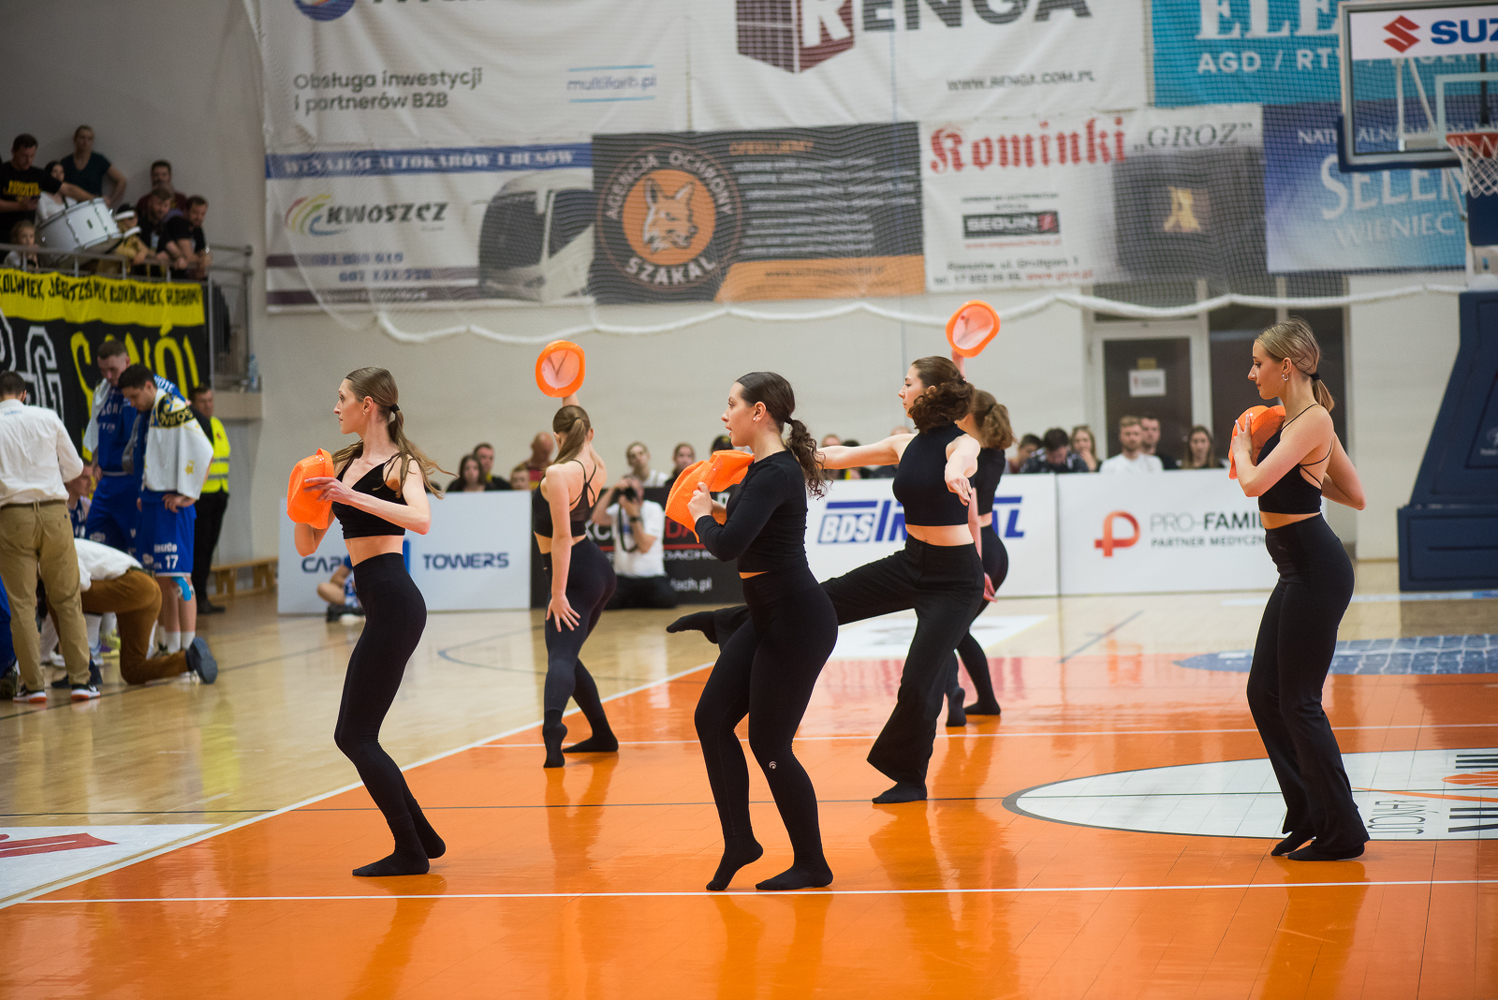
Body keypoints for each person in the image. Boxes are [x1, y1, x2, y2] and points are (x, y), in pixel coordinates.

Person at [672, 356, 984, 804]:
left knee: (918, 680)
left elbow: (964, 460)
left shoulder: (961, 444)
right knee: (819, 602)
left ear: (930, 392)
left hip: (955, 580)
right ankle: (729, 622)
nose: (901, 391)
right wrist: (769, 454)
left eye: (908, 383)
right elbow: (835, 457)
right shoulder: (904, 444)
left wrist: (955, 473)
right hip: (911, 562)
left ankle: (909, 776)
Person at [686, 372, 838, 892]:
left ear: (759, 412)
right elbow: (746, 531)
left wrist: (701, 517)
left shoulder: (775, 472)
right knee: (711, 719)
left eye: (731, 403)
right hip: (770, 617)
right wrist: (715, 510)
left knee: (770, 744)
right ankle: (740, 841)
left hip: (797, 623)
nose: (723, 413)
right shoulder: (763, 468)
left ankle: (812, 864)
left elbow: (727, 547)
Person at [294, 366, 446, 877]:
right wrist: (302, 502)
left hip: (397, 603)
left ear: (369, 406)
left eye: (342, 398)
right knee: (359, 734)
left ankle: (410, 850)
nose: (335, 407)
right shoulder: (341, 464)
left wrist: (352, 497)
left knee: (354, 736)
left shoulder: (400, 465)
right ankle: (422, 837)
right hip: (380, 605)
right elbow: (307, 545)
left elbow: (421, 520)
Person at [1230, 319, 1369, 863]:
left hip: (1315, 569)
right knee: (1263, 692)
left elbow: (1252, 484)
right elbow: (1352, 494)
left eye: (1258, 363)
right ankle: (1309, 811)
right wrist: (1307, 470)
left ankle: (1343, 830)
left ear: (1285, 366)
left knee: (1299, 702)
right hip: (1296, 568)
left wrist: (1244, 448)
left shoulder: (1313, 420)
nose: (1252, 373)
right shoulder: (1299, 424)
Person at [0, 370, 96, 702]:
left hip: (11, 516)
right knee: (67, 599)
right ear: (24, 394)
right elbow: (75, 469)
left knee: (22, 606)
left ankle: (33, 686)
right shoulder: (47, 417)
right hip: (56, 513)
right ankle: (81, 682)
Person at [534, 393, 617, 767]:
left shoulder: (557, 474)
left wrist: (558, 593)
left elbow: (562, 537)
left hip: (573, 574)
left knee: (561, 657)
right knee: (567, 655)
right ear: (589, 433)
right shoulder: (597, 464)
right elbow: (578, 420)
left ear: (557, 436)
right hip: (598, 570)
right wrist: (567, 387)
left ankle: (553, 730)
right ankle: (603, 734)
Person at [117, 365, 213, 657]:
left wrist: (190, 494)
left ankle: (190, 651)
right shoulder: (148, 412)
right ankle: (169, 648)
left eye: (135, 396)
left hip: (171, 507)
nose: (132, 403)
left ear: (149, 386)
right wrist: (144, 490)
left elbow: (205, 450)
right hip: (151, 502)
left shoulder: (171, 407)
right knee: (161, 580)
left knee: (179, 578)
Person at [944, 388, 1014, 725]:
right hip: (993, 548)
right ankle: (985, 700)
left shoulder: (969, 458)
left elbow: (971, 517)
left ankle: (958, 702)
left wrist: (977, 565)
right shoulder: (995, 452)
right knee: (956, 631)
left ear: (967, 415)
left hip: (978, 548)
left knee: (946, 631)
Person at [82, 339, 182, 555]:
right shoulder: (102, 391)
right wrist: (97, 460)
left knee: (139, 553)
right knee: (94, 550)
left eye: (113, 369)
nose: (108, 376)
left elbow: (183, 426)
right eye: (102, 370)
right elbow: (96, 428)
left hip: (134, 482)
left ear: (127, 361)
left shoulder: (156, 387)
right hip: (106, 485)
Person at [71, 537, 216, 684]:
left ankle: (85, 667)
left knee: (64, 598)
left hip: (133, 584)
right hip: (147, 587)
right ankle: (189, 659)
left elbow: (81, 586)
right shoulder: (75, 544)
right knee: (132, 670)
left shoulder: (68, 548)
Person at [592, 475, 676, 609]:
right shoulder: (618, 510)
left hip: (651, 576)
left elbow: (644, 546)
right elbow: (597, 518)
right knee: (603, 601)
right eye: (626, 491)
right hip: (623, 577)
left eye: (633, 490)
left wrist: (633, 516)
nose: (630, 494)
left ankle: (633, 600)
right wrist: (613, 489)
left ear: (641, 491)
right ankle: (636, 600)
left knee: (667, 600)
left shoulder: (653, 509)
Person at [188, 384, 231, 614]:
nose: (208, 405)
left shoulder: (217, 424)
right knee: (200, 549)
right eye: (202, 402)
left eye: (210, 400)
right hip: (201, 497)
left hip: (219, 495)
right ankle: (197, 598)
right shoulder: (192, 427)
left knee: (209, 548)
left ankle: (202, 596)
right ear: (193, 405)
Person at [2, 134, 90, 240]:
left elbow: (68, 189)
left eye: (32, 156)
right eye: (24, 156)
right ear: (13, 152)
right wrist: (19, 206)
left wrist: (93, 198)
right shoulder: (3, 171)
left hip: (27, 238)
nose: (28, 160)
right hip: (3, 234)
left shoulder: (37, 175)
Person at [61, 126, 126, 207]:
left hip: (94, 207)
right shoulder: (66, 162)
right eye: (82, 138)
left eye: (89, 139)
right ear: (75, 139)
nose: (85, 142)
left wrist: (110, 201)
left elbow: (121, 180)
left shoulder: (98, 160)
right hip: (71, 207)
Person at [91, 209, 151, 276]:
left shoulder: (132, 236)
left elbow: (144, 248)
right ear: (122, 219)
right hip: (107, 275)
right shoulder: (114, 232)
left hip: (120, 277)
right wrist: (134, 254)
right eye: (130, 218)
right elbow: (116, 249)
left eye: (136, 217)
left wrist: (142, 253)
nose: (134, 220)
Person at [1019, 427, 1089, 474]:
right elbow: (1023, 481)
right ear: (1045, 450)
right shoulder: (1034, 461)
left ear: (1067, 448)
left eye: (1060, 455)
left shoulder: (1076, 461)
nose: (1056, 460)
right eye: (1051, 456)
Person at [317, 557, 363, 622]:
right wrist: (352, 584)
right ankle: (354, 607)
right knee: (322, 587)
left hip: (374, 592)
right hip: (355, 594)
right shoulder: (355, 554)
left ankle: (357, 610)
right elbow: (335, 578)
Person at [183, 196, 212, 280]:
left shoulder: (198, 229)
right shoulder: (178, 223)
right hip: (175, 277)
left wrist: (207, 256)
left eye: (202, 214)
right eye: (195, 213)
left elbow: (203, 252)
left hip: (191, 278)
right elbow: (188, 256)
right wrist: (202, 259)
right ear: (186, 211)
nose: (199, 217)